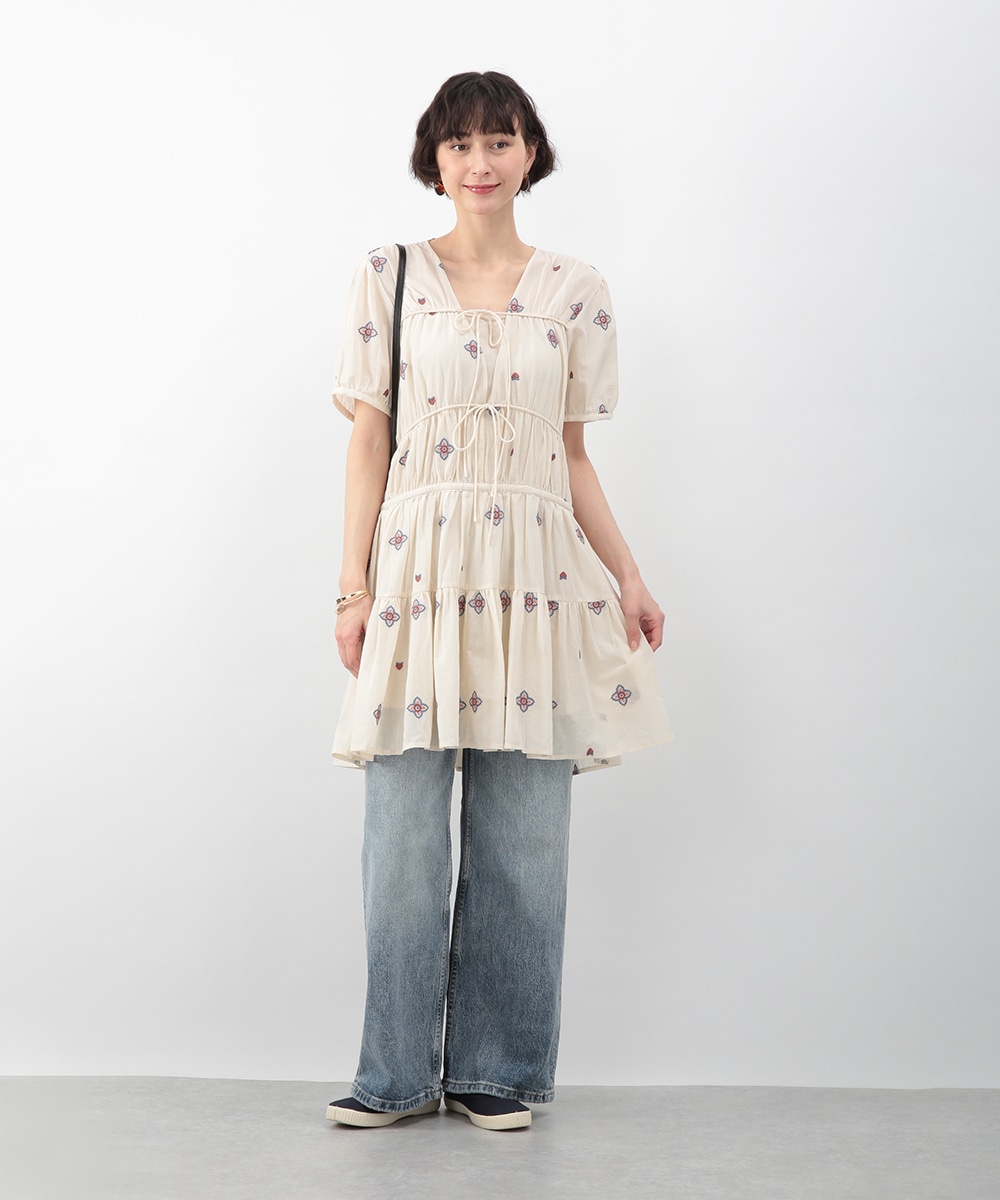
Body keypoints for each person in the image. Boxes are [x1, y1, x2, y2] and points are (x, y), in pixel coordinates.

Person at [325, 71, 673, 1131]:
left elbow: (572, 453)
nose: (480, 162)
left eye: (500, 141)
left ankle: (495, 1070)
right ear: (433, 160)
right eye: (460, 144)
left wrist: (628, 573)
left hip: (534, 582)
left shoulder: (576, 289)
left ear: (530, 154)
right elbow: (368, 441)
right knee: (401, 845)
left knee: (525, 846)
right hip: (418, 578)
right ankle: (393, 1075)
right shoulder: (390, 274)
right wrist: (351, 587)